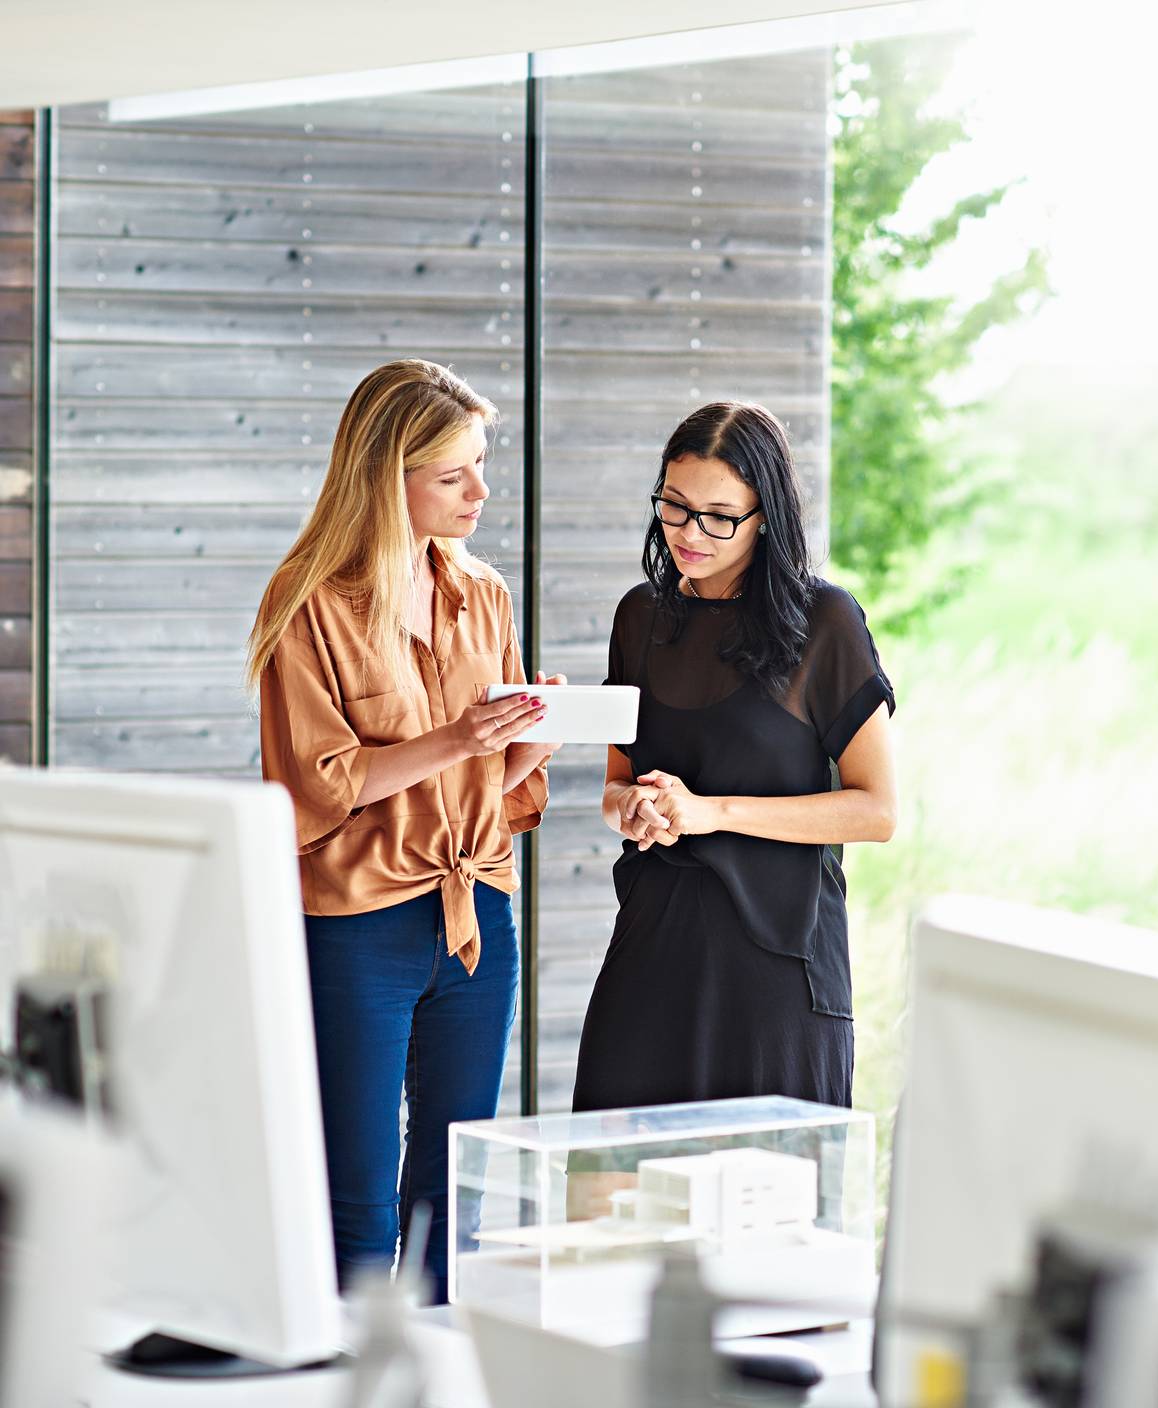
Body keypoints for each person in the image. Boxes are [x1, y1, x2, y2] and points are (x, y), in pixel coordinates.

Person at [246, 359, 561, 1302]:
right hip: (358, 924)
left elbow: (495, 789)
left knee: (454, 1195)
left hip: (478, 915)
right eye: (453, 473)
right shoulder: (307, 600)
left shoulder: (486, 596)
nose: (480, 490)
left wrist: (529, 742)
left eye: (481, 464)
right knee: (357, 1201)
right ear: (390, 478)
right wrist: (456, 737)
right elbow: (318, 782)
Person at [572, 401, 897, 1114]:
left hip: (776, 969)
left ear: (764, 516)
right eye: (675, 506)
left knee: (767, 1213)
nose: (690, 534)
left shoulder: (825, 623)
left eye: (719, 516)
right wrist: (634, 810)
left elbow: (876, 812)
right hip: (651, 951)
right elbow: (614, 787)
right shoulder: (640, 617)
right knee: (611, 1205)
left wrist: (707, 812)